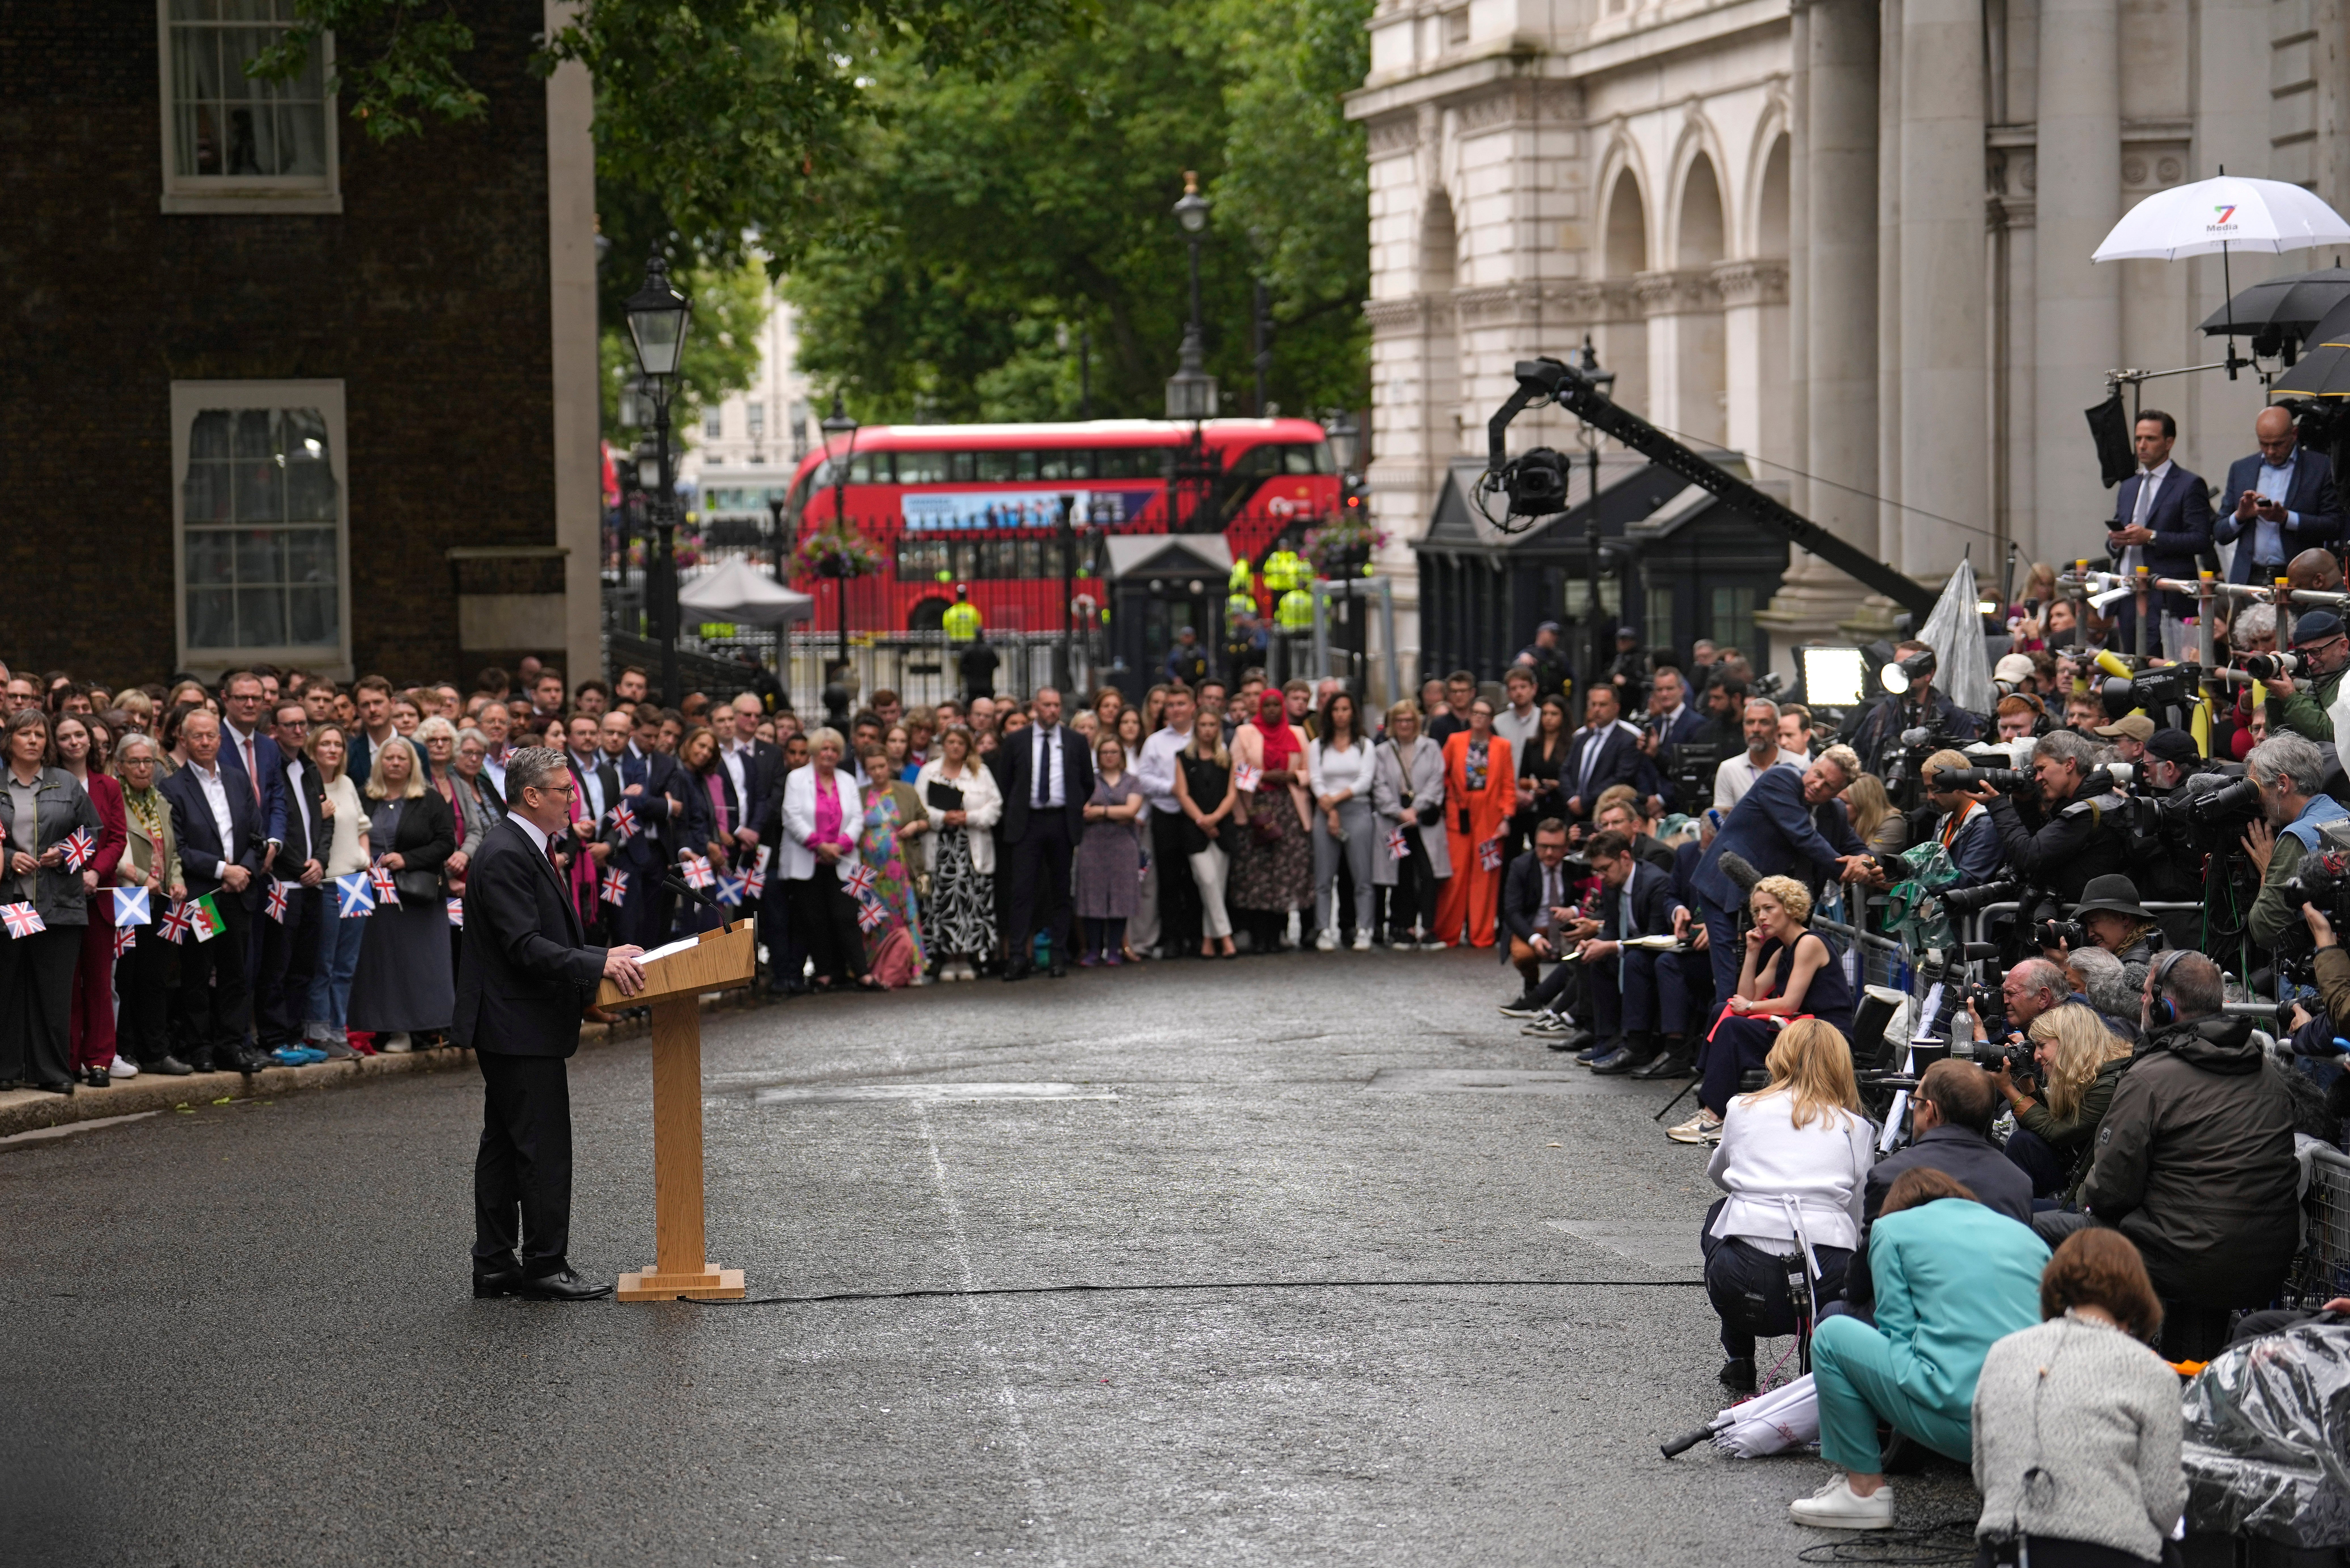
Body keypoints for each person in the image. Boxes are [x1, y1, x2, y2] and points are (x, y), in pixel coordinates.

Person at [455, 744, 645, 1302]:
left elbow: (542, 939)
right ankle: (544, 1265)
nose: (572, 800)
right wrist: (596, 963)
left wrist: (600, 954)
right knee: (540, 1148)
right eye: (564, 791)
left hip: (516, 1022)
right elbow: (523, 946)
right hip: (517, 1025)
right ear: (532, 795)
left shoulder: (524, 845)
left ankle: (494, 1265)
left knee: (505, 1147)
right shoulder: (507, 853)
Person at [2066, 950, 2299, 1360]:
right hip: (2267, 1260)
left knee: (2052, 1229)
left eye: (2143, 994)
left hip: (2189, 1262)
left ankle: (2091, 1369)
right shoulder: (2268, 1075)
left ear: (2163, 1006)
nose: (2140, 1003)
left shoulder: (2149, 1078)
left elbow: (2110, 1192)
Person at [1791, 1167, 2050, 1532]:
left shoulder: (1891, 1231)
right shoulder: (2025, 1238)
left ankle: (1862, 1492)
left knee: (1833, 1335)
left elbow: (1897, 1332)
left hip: (1966, 1426)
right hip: (2039, 1427)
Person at [1970, 1229, 2184, 1568]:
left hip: (2008, 1550)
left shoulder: (2001, 1353)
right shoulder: (2152, 1372)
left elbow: (1984, 1476)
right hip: (2110, 1554)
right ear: (2137, 1297)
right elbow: (2163, 1505)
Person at [1701, 1018, 1875, 1393]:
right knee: (1835, 1266)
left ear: (1779, 1056)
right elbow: (1859, 1212)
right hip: (1823, 1272)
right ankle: (1811, 1374)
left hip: (1742, 1282)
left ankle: (1739, 1359)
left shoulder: (1741, 1107)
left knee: (1720, 1213)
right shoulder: (1857, 1129)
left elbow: (1718, 1174)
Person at [1674, 874, 1856, 1144]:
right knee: (1721, 1010)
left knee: (1734, 1026)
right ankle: (1711, 1107)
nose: (1761, 917)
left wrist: (1748, 1006)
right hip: (1799, 1028)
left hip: (1824, 1036)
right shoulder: (1781, 950)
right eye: (1757, 910)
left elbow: (1788, 1004)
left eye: (1769, 908)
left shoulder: (1810, 943)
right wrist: (1752, 952)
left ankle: (1715, 1117)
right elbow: (1747, 996)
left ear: (1791, 908)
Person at [1688, 749, 1869, 1002]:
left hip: (1779, 908)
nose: (1817, 785)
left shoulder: (1835, 811)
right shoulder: (1780, 779)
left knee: (1766, 986)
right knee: (1732, 987)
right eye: (1817, 775)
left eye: (1828, 785)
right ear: (1812, 764)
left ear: (1839, 790)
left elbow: (1858, 849)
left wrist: (1865, 863)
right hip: (1728, 891)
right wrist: (1848, 871)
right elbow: (1803, 836)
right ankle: (1725, 1036)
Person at [159, 708, 268, 1073]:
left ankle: (232, 1046)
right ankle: (199, 1047)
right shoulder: (173, 788)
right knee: (199, 972)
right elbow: (180, 847)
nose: (205, 742)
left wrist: (245, 872)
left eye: (211, 736)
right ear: (184, 741)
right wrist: (224, 870)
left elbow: (257, 835)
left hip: (239, 893)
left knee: (236, 972)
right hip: (206, 895)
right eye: (197, 737)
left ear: (221, 741)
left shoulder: (238, 781)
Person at [0, 709, 103, 1094]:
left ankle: (53, 1072)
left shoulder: (65, 783)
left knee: (54, 991)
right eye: (25, 734)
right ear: (9, 739)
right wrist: (10, 859)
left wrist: (65, 853)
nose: (33, 741)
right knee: (7, 986)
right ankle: (6, 1068)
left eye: (40, 735)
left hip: (59, 901)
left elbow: (92, 834)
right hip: (11, 900)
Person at [345, 736, 457, 1053]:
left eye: (402, 759)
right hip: (370, 893)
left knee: (418, 965)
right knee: (378, 964)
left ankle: (413, 1031)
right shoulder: (363, 797)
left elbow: (446, 843)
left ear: (413, 765)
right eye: (389, 758)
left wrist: (406, 860)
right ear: (379, 763)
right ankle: (375, 1030)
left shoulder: (429, 799)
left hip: (416, 898)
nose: (395, 763)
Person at [1573, 828, 1692, 1075]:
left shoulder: (1655, 882)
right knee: (1595, 958)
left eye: (1605, 868)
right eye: (1597, 870)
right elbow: (1611, 926)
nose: (1601, 876)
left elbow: (1656, 934)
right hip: (1633, 948)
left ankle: (1636, 1046)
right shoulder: (1612, 883)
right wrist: (1596, 943)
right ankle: (1607, 1037)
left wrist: (1612, 946)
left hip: (1658, 951)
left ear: (1625, 858)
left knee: (1634, 960)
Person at [52, 713, 129, 1087]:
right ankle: (66, 1059)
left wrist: (96, 872)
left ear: (90, 741)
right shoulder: (49, 784)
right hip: (58, 894)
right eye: (64, 736)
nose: (73, 742)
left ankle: (99, 1059)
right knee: (66, 981)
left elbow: (117, 838)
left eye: (79, 735)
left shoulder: (109, 786)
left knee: (99, 979)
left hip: (98, 895)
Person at [1862, 1059, 2035, 1224]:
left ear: (1930, 1111)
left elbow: (1873, 1253)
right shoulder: (2019, 1185)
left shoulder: (1888, 1177)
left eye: (1915, 1101)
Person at [1994, 1003, 2135, 1204]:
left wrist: (2008, 1090)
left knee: (2025, 1212)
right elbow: (2052, 1122)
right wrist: (2027, 1088)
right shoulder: (2086, 1072)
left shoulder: (2109, 1083)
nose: (2036, 1057)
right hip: (2076, 1170)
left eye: (2041, 1046)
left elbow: (2059, 1132)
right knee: (2022, 1142)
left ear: (2069, 1043)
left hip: (2096, 1198)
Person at [2104, 409, 2214, 658]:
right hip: (2128, 593)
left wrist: (2151, 537)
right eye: (2138, 439)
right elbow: (2115, 542)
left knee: (2167, 671)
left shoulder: (2189, 484)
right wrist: (2115, 541)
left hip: (2166, 595)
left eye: (2150, 439)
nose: (2142, 445)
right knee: (2133, 666)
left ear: (2169, 442)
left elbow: (2200, 539)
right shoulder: (2128, 486)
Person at [998, 686, 1091, 980]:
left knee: (1060, 891)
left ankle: (1057, 956)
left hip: (1062, 822)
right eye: (1046, 705)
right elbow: (1005, 782)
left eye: (1056, 705)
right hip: (1028, 823)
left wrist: (1073, 807)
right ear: (1035, 707)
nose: (1052, 710)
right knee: (1022, 891)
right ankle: (1017, 957)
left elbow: (1086, 782)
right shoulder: (1016, 741)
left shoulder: (1075, 741)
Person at [110, 733, 187, 1074]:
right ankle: (125, 1049)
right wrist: (143, 877)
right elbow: (108, 848)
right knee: (128, 975)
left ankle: (156, 1051)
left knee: (156, 977)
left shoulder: (160, 801)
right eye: (134, 762)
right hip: (129, 896)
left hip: (162, 900)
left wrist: (177, 878)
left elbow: (172, 850)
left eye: (148, 762)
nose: (143, 768)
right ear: (120, 766)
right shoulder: (113, 797)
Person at [779, 728, 877, 992]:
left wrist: (842, 845)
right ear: (814, 751)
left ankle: (862, 973)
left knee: (846, 916)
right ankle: (824, 974)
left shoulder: (846, 780)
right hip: (807, 859)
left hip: (842, 859)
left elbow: (858, 817)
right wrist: (819, 845)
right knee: (815, 920)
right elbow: (791, 816)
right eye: (824, 749)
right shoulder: (796, 779)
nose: (829, 754)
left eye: (834, 750)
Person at [1985, 730, 2129, 904]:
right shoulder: (2090, 800)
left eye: (2042, 769)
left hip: (2080, 917)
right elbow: (2036, 844)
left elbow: (2031, 856)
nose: (2037, 778)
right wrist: (2024, 803)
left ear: (2069, 764)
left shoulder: (2087, 812)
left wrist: (1997, 804)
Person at [2243, 731, 2348, 952]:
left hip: (2316, 973)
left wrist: (2267, 874)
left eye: (2256, 788)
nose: (2254, 800)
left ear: (2282, 784)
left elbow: (2266, 929)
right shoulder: (2343, 817)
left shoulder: (2296, 837)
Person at [2217, 404, 2343, 584]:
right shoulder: (2241, 469)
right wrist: (2240, 516)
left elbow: (2334, 525)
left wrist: (2286, 518)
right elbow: (2221, 534)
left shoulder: (2319, 467)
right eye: (2264, 444)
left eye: (2278, 444)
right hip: (2250, 579)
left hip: (2299, 580)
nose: (2271, 451)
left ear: (2294, 435)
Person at [1230, 687, 1313, 955]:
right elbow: (1238, 771)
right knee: (1257, 874)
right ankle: (1258, 935)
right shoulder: (1245, 733)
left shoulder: (1298, 734)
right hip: (1257, 808)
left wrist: (1290, 778)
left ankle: (1279, 933)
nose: (1272, 711)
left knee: (1285, 871)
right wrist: (1265, 776)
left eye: (1277, 706)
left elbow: (1309, 771)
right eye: (1267, 706)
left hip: (1289, 809)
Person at [915, 726, 1001, 982]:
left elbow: (995, 807)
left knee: (970, 903)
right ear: (943, 744)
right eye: (950, 742)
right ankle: (946, 960)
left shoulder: (980, 772)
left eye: (960, 743)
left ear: (967, 747)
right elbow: (919, 808)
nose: (955, 747)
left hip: (970, 848)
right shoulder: (928, 772)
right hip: (941, 848)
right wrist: (944, 817)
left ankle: (966, 959)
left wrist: (969, 817)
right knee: (941, 903)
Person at [306, 724, 370, 1055]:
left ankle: (339, 1030)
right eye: (326, 744)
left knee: (347, 964)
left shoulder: (345, 784)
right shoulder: (306, 785)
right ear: (314, 748)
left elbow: (361, 825)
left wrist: (365, 856)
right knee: (324, 963)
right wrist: (318, 814)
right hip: (326, 885)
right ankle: (318, 1030)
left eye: (338, 745)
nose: (332, 750)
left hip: (355, 882)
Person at [1433, 698, 1516, 949]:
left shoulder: (1502, 746)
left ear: (1492, 719)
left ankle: (1481, 935)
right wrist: (1450, 799)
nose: (1479, 717)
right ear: (1469, 715)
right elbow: (1441, 774)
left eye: (1485, 713)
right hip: (1459, 815)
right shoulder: (1455, 741)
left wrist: (1506, 818)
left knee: (1485, 878)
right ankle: (1448, 933)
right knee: (1455, 876)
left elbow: (1508, 785)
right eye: (1475, 713)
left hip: (1489, 818)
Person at [1371, 700, 1449, 950]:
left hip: (1424, 820)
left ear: (1416, 723)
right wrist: (1399, 812)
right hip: (1396, 822)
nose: (1405, 725)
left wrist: (1416, 810)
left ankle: (1428, 928)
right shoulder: (1382, 751)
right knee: (1401, 877)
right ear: (1393, 724)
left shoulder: (1431, 747)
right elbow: (1379, 786)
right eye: (1400, 721)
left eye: (1409, 720)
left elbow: (1437, 782)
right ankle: (1404, 928)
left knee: (1428, 874)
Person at [1135, 685, 1202, 960]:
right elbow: (1144, 778)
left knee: (1196, 878)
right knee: (1169, 878)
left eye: (1180, 704)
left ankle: (1196, 937)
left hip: (1197, 815)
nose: (1175, 709)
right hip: (1167, 814)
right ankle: (1173, 938)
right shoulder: (1155, 742)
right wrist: (1171, 788)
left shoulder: (1204, 736)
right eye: (1170, 705)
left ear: (1192, 707)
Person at [1307, 691, 1378, 952]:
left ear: (1353, 713)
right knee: (1323, 877)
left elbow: (1364, 782)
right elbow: (1316, 779)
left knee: (1362, 877)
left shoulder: (1364, 745)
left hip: (1357, 811)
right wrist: (1330, 808)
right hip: (1325, 812)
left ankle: (1364, 929)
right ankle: (1324, 929)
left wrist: (1335, 801)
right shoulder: (1318, 746)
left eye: (1345, 709)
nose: (1340, 715)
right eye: (1336, 710)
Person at [854, 743, 928, 987]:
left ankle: (912, 966)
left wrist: (914, 827)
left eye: (882, 766)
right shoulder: (860, 794)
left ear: (889, 766)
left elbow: (924, 819)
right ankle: (877, 968)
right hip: (871, 872)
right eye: (872, 768)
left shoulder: (905, 791)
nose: (878, 772)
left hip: (900, 869)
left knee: (904, 915)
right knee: (875, 917)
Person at [1073, 735, 1146, 966]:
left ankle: (1114, 949)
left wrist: (1101, 812)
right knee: (1091, 896)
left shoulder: (1132, 781)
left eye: (1114, 752)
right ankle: (1094, 950)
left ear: (1122, 756)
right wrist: (1116, 812)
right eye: (1105, 752)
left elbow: (1132, 810)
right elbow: (1082, 810)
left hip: (1123, 845)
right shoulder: (1088, 781)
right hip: (1092, 845)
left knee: (1121, 896)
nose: (1109, 756)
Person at [1173, 713, 1239, 958]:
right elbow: (1182, 794)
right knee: (1208, 881)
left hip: (1222, 828)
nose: (1208, 730)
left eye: (1212, 725)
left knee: (1216, 887)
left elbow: (1232, 794)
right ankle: (1226, 937)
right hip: (1194, 830)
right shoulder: (1183, 757)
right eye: (1203, 725)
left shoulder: (1227, 758)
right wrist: (1202, 820)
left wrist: (1215, 818)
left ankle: (1208, 941)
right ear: (1196, 727)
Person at [1500, 820, 1576, 1009]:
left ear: (1566, 847)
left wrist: (1573, 912)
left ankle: (1571, 995)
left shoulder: (1576, 864)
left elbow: (1591, 895)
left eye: (1556, 847)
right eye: (1543, 847)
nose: (1549, 853)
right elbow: (1511, 911)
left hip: (1569, 927)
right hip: (1534, 927)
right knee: (1523, 955)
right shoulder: (1521, 866)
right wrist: (1534, 939)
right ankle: (1531, 985)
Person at [1560, 685, 1651, 828]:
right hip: (1573, 815)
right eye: (1593, 705)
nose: (1597, 709)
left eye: (1603, 705)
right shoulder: (1581, 738)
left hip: (1606, 814)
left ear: (1616, 708)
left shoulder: (1627, 740)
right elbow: (1566, 770)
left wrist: (1584, 802)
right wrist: (1572, 799)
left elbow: (1620, 778)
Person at [2260, 609, 2350, 747]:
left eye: (2316, 652)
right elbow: (2277, 737)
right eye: (2303, 654)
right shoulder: (2313, 687)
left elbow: (2337, 736)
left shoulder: (2348, 682)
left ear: (2343, 647)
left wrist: (2291, 699)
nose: (2309, 662)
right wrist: (2276, 694)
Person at [1712, 698, 1810, 812]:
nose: (1756, 729)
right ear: (1744, 728)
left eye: (1764, 723)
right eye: (1750, 722)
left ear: (1777, 730)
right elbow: (1723, 820)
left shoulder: (1800, 765)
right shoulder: (1729, 769)